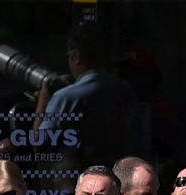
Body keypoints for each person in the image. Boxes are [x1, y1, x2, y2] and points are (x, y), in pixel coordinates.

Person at [36, 19, 142, 166]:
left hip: (77, 183)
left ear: (76, 57)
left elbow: (39, 147)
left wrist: (43, 102)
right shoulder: (125, 90)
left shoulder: (65, 98)